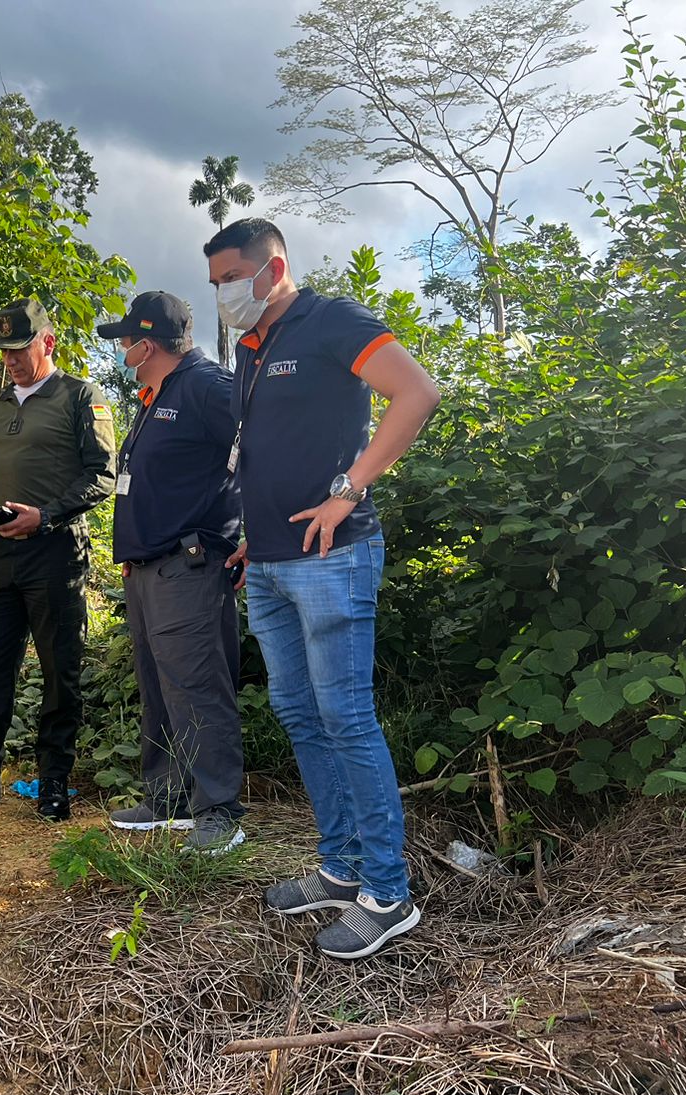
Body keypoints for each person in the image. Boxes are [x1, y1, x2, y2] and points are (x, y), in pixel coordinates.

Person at [205, 217, 440, 959]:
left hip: (333, 556)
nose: (222, 294)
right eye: (213, 284)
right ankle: (340, 868)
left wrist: (349, 489)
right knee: (300, 715)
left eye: (230, 279)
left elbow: (417, 393)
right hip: (271, 562)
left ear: (272, 270)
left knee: (345, 717)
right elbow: (270, 451)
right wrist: (254, 535)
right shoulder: (253, 348)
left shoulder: (331, 319)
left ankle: (388, 892)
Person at [0, 300, 116, 822]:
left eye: (20, 349)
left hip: (56, 553)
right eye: (5, 351)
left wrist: (48, 514)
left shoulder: (80, 396)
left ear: (47, 343)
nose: (11, 359)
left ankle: (54, 779)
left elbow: (102, 475)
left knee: (61, 669)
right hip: (0, 556)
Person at [96, 291, 246, 852]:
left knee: (198, 688)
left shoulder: (207, 385)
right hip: (147, 571)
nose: (121, 350)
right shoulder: (156, 393)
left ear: (148, 342)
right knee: (161, 689)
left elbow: (260, 441)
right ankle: (168, 800)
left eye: (125, 341)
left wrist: (255, 528)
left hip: (189, 565)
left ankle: (219, 812)